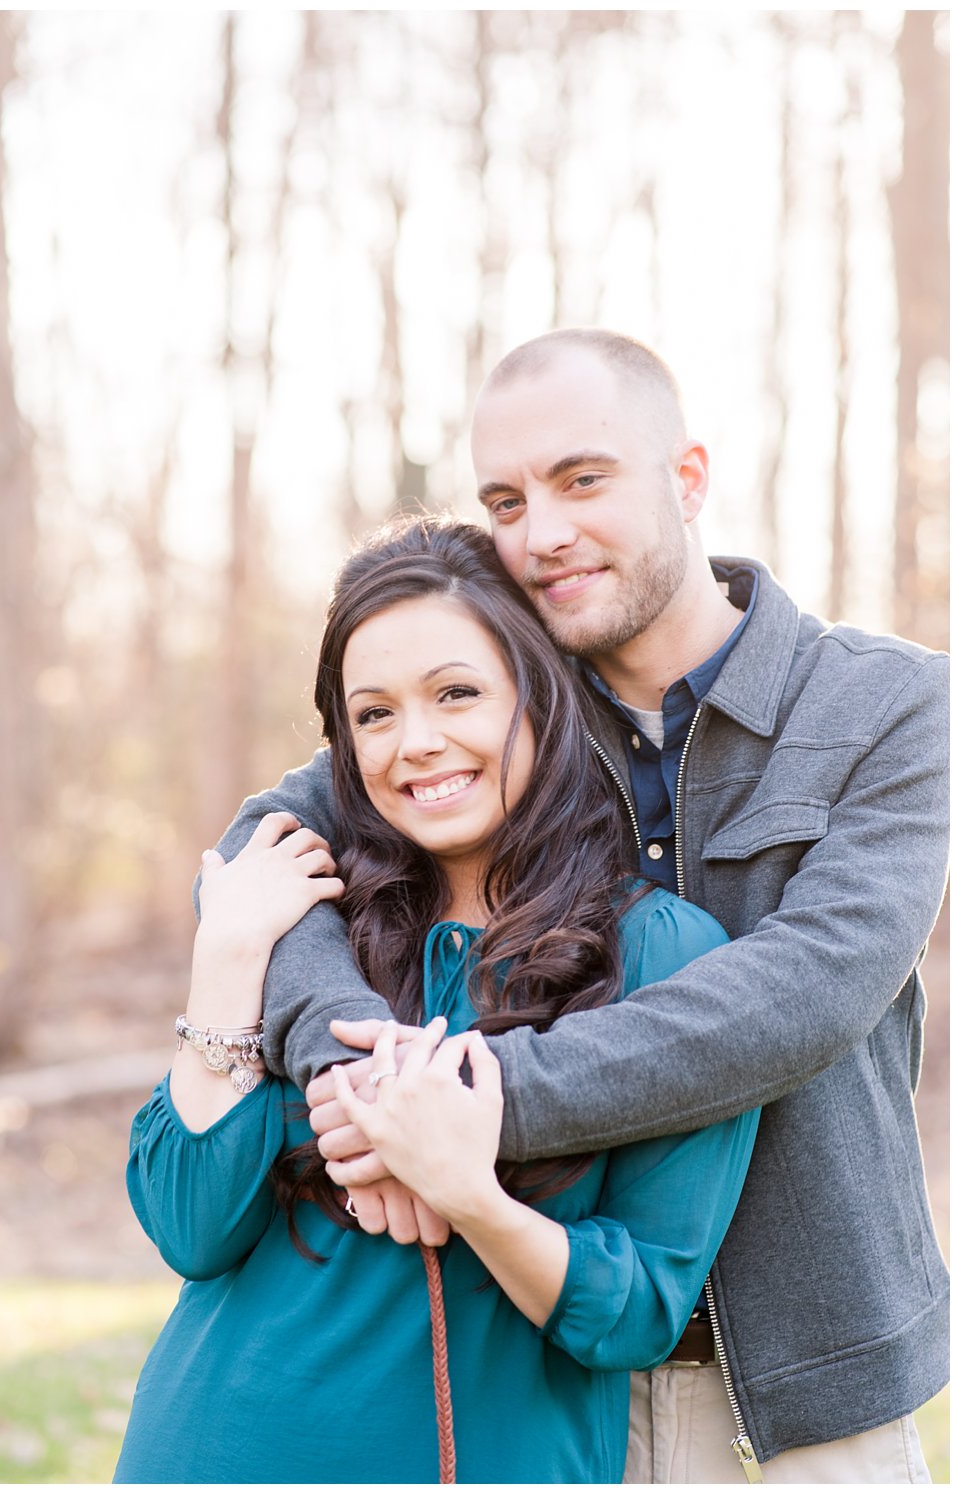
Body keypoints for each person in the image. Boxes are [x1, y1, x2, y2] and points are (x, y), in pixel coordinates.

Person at [213, 330, 949, 1484]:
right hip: (541, 1364)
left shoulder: (890, 706)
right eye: (503, 500)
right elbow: (263, 840)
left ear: (688, 477)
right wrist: (346, 1065)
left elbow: (808, 995)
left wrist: (461, 1099)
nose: (539, 533)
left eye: (581, 479)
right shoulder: (505, 708)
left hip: (808, 1396)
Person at [114, 518, 759, 1484]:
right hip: (206, 1447)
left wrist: (467, 1190)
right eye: (373, 715)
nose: (415, 744)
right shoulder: (307, 918)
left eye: (456, 694)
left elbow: (636, 1310)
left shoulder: (663, 956)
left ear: (540, 696)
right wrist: (229, 950)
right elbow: (190, 1228)